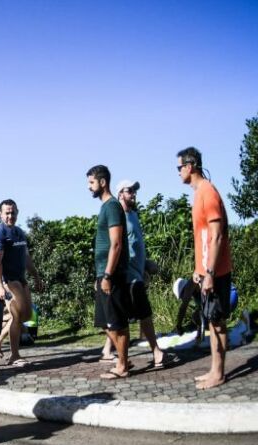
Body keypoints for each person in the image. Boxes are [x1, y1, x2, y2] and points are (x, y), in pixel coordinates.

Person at [100, 180, 175, 369]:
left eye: (134, 191)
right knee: (143, 314)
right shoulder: (118, 216)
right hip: (127, 275)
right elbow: (115, 245)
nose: (133, 193)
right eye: (129, 190)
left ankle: (108, 351)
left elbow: (135, 245)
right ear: (120, 194)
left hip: (137, 273)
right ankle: (156, 353)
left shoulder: (133, 215)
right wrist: (110, 274)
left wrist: (145, 264)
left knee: (126, 316)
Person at [178, 146, 233, 390]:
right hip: (206, 271)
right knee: (211, 320)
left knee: (217, 321)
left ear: (190, 166)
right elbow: (203, 237)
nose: (178, 172)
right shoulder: (199, 193)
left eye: (179, 167)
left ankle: (219, 374)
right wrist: (199, 269)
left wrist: (209, 273)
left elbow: (217, 235)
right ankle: (214, 369)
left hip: (216, 272)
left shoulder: (207, 192)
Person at [0, 199, 44, 367]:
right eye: (7, 213)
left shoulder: (19, 232)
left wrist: (36, 276)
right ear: (0, 214)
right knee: (17, 316)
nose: (10, 216)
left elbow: (26, 257)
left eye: (13, 212)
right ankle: (14, 355)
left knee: (27, 315)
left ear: (17, 213)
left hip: (21, 278)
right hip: (8, 280)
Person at [87, 165, 131, 380]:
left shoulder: (112, 206)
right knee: (104, 322)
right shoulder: (105, 207)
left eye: (91, 183)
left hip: (112, 274)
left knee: (116, 322)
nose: (89, 187)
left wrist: (107, 276)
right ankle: (123, 358)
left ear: (102, 182)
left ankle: (122, 365)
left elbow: (116, 244)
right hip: (103, 273)